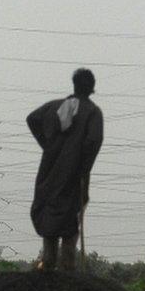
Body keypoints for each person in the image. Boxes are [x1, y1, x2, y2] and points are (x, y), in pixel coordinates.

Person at [26, 68, 103, 271]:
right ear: (91, 88)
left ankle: (49, 263)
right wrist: (82, 168)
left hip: (49, 172)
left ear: (74, 85)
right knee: (70, 220)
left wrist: (48, 145)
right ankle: (65, 270)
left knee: (51, 216)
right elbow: (93, 141)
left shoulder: (54, 107)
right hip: (73, 176)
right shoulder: (92, 112)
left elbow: (32, 119)